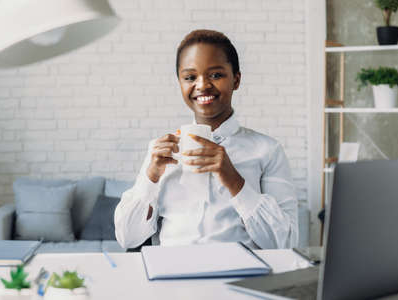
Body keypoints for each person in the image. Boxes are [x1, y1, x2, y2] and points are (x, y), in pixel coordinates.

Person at [114, 29, 298, 250]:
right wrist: (150, 177)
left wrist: (234, 180)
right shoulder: (160, 152)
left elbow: (286, 242)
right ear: (180, 83)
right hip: (172, 276)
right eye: (190, 77)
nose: (202, 85)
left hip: (241, 277)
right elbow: (127, 238)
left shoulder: (267, 150)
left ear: (236, 80)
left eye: (216, 75)